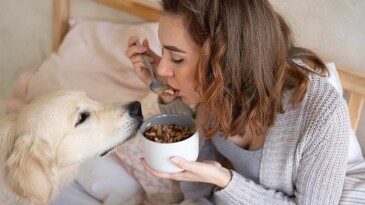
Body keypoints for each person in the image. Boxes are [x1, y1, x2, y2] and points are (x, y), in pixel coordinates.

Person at [125, 0, 351, 204]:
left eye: (176, 58)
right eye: (163, 52)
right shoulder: (218, 90)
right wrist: (164, 88)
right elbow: (196, 185)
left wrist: (226, 181)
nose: (163, 68)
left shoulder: (324, 114)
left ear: (225, 60)